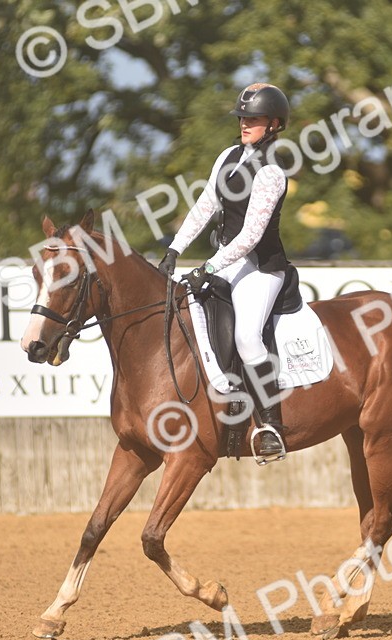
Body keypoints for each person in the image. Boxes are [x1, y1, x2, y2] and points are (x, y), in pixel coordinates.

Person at [157, 83, 293, 460]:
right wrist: (175, 248)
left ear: (274, 124)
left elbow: (250, 235)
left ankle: (271, 426)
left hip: (261, 268)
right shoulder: (228, 156)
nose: (244, 123)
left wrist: (208, 267)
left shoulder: (271, 172)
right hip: (227, 260)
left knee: (248, 337)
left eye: (254, 118)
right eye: (242, 117)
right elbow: (205, 205)